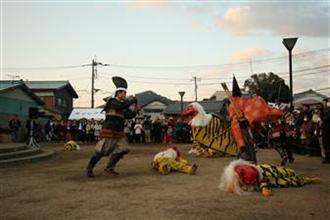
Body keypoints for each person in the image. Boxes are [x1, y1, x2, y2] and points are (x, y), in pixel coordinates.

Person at [86, 76, 137, 177]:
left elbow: (130, 115)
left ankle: (109, 167)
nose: (125, 95)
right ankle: (89, 168)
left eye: (125, 93)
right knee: (101, 152)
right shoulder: (112, 101)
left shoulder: (123, 105)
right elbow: (119, 106)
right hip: (109, 131)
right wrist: (131, 100)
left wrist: (135, 108)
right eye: (124, 93)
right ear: (118, 93)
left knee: (123, 149)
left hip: (119, 132)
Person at [219, 159, 320, 197]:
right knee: (290, 181)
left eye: (242, 171)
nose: (246, 175)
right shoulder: (259, 180)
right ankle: (307, 180)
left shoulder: (258, 167)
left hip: (273, 169)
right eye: (241, 177)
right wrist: (264, 189)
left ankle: (284, 167)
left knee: (283, 170)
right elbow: (263, 183)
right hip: (276, 177)